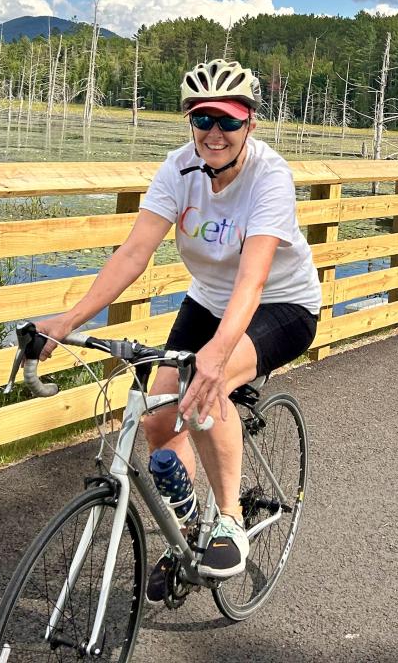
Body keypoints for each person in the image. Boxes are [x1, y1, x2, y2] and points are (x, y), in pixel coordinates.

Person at [33, 58, 321, 597]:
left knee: (206, 385)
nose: (215, 133)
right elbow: (133, 253)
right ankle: (187, 528)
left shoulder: (270, 177)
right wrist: (68, 320)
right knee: (156, 416)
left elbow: (253, 281)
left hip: (283, 305)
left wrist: (217, 355)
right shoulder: (177, 168)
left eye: (229, 121)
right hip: (208, 299)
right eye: (203, 119)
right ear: (190, 121)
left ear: (250, 124)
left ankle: (230, 519)